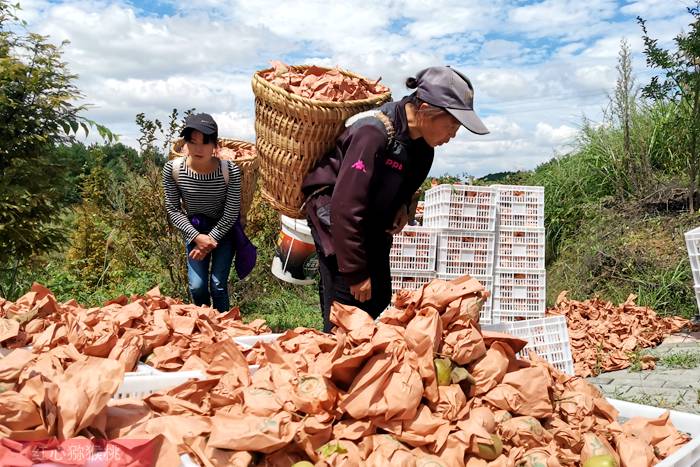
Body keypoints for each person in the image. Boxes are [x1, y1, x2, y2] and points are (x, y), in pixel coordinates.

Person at [302, 66, 490, 331]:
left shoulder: (424, 149)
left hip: (373, 223)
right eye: (452, 124)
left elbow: (407, 184)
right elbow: (345, 208)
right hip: (338, 224)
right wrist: (355, 273)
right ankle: (332, 358)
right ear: (425, 109)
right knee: (348, 311)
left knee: (378, 296)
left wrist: (404, 206)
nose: (453, 134)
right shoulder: (372, 133)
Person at [162, 113, 242, 312]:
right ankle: (205, 326)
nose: (199, 149)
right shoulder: (173, 170)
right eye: (192, 141)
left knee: (218, 285)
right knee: (197, 287)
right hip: (194, 230)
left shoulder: (229, 170)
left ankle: (225, 329)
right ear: (185, 143)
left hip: (224, 230)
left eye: (205, 143)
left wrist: (209, 241)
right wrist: (197, 237)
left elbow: (232, 212)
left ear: (215, 145)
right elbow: (173, 209)